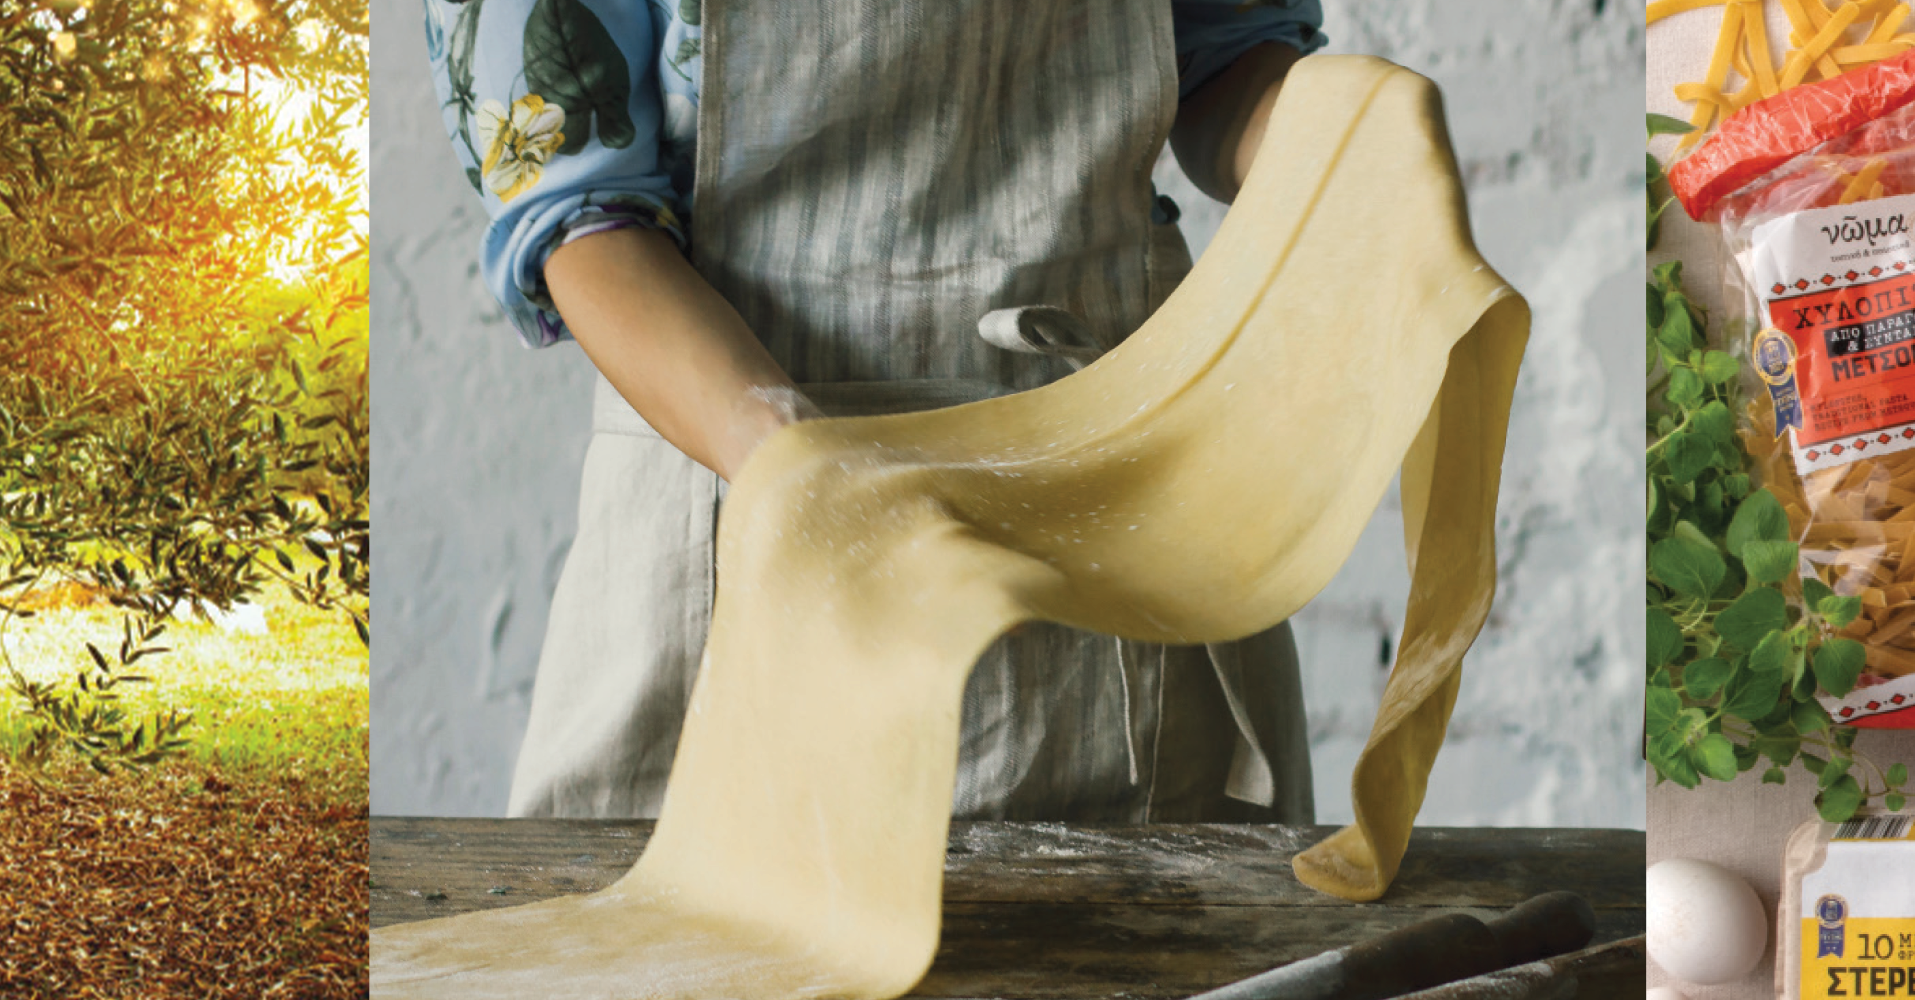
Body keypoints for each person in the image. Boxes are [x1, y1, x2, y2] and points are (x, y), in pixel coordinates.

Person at [430, 0, 1327, 824]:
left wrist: (1345, 130)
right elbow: (579, 214)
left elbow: (1223, 58)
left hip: (1117, 524)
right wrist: (793, 461)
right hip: (742, 504)